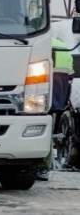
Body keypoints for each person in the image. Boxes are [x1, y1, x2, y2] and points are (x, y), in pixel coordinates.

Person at [39, 36, 75, 181]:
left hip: (40, 95)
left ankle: (42, 167)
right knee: (49, 131)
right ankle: (45, 166)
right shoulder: (63, 46)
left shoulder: (40, 43)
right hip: (58, 96)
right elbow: (70, 76)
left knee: (43, 132)